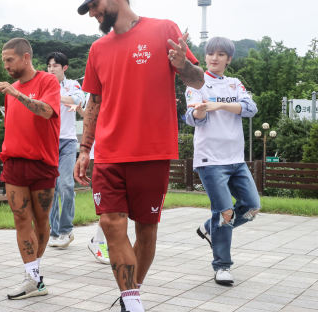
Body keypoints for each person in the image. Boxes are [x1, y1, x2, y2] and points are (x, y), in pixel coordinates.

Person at [74, 1, 204, 311]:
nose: (92, 12)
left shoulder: (164, 30)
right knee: (110, 223)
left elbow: (198, 81)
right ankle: (133, 304)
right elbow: (94, 103)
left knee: (146, 230)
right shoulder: (98, 49)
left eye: (94, 4)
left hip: (152, 151)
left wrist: (183, 65)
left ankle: (131, 293)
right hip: (108, 153)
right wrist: (84, 149)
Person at [185, 37, 260, 286]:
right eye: (210, 54)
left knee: (251, 206)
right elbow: (193, 117)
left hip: (236, 158)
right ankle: (222, 266)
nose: (214, 58)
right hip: (210, 160)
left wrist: (218, 105)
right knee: (225, 212)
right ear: (205, 57)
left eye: (220, 54)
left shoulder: (234, 83)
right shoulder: (196, 82)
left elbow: (250, 108)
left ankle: (210, 227)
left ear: (228, 59)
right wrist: (200, 110)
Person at [0, 38, 60, 300]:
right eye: (4, 61)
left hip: (42, 163)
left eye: (10, 60)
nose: (6, 66)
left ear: (25, 58)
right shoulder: (12, 90)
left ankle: (35, 271)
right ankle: (32, 278)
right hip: (13, 162)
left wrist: (17, 94)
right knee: (21, 219)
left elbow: (46, 112)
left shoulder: (47, 81)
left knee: (41, 221)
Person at [45, 52, 85, 249]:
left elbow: (77, 100)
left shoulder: (72, 85)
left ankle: (66, 229)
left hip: (67, 142)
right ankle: (53, 232)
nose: (51, 69)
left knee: (66, 185)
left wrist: (56, 96)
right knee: (50, 188)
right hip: (47, 141)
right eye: (49, 66)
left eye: (55, 66)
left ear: (64, 68)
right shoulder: (42, 85)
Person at [86, 143, 110, 264]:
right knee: (108, 203)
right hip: (100, 153)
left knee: (119, 205)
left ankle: (99, 240)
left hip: (121, 152)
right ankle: (98, 240)